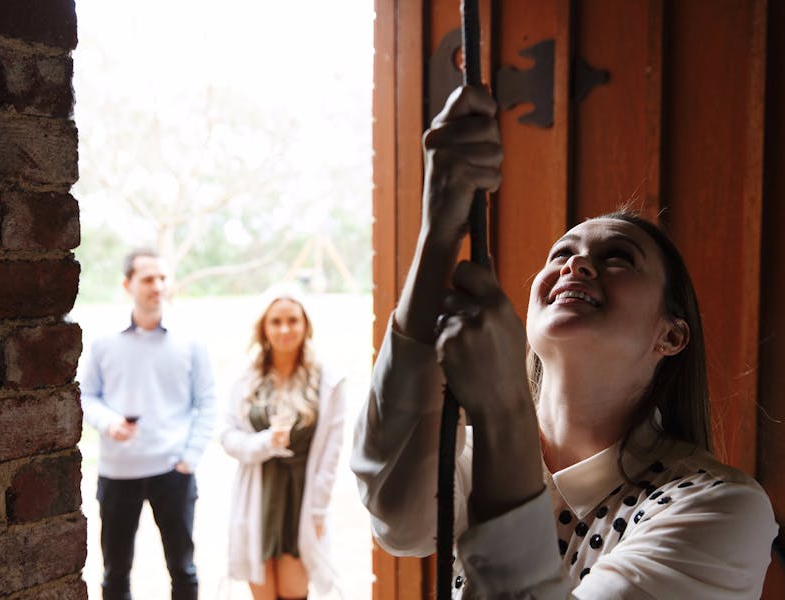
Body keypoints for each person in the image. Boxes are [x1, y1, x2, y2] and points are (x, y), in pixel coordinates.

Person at [350, 85, 778, 598]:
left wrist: (501, 407)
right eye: (561, 254)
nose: (575, 265)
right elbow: (397, 519)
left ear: (672, 334)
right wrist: (438, 231)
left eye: (618, 257)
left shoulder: (720, 509)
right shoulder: (468, 458)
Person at [80, 248, 217, 600]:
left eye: (161, 277)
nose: (157, 285)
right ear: (128, 284)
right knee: (115, 572)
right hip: (117, 472)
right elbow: (86, 396)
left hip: (174, 471)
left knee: (183, 570)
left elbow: (207, 402)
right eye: (147, 279)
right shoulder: (103, 341)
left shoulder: (191, 340)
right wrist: (110, 422)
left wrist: (191, 456)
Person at [220, 285, 345, 600]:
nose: (285, 329)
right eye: (276, 321)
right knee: (262, 592)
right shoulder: (245, 377)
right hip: (258, 496)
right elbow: (228, 436)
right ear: (264, 327)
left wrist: (317, 511)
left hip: (301, 498)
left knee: (294, 591)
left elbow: (331, 453)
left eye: (293, 320)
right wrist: (264, 443)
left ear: (306, 325)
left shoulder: (328, 381)